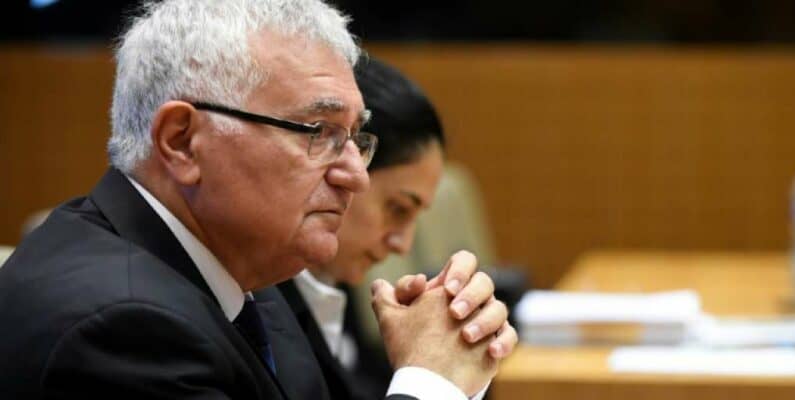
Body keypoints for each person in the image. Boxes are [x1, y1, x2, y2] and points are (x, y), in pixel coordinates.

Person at [0, 1, 512, 399]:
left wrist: (449, 362)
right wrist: (430, 383)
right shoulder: (120, 330)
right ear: (182, 142)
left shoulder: (244, 275)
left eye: (354, 138)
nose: (356, 176)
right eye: (318, 132)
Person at [264, 57, 517, 400]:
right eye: (397, 208)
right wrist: (429, 376)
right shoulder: (257, 306)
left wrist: (460, 358)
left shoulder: (334, 285)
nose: (403, 244)